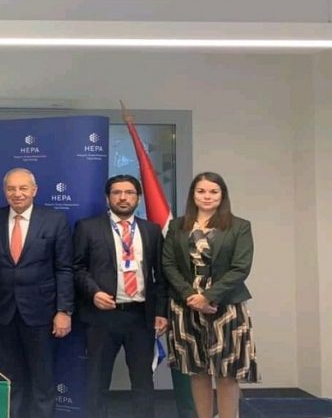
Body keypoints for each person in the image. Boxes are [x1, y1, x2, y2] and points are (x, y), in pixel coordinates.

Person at [0, 167, 74, 418]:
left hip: (42, 313)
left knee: (43, 380)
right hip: (1, 313)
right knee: (7, 378)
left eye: (23, 188)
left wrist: (64, 310)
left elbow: (64, 268)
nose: (17, 193)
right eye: (11, 188)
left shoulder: (54, 220)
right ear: (4, 191)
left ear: (34, 190)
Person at [163, 172, 258, 418]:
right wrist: (191, 297)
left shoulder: (239, 226)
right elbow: (169, 265)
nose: (207, 196)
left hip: (226, 305)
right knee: (197, 371)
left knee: (227, 372)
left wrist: (208, 297)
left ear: (222, 195)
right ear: (193, 195)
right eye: (201, 191)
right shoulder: (177, 226)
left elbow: (241, 268)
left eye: (214, 191)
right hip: (186, 306)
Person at [72, 174, 168, 418]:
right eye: (116, 193)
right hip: (102, 316)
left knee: (143, 381)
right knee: (97, 380)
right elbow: (76, 268)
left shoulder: (152, 230)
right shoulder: (87, 227)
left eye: (129, 193)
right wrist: (94, 293)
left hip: (141, 316)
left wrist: (161, 312)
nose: (123, 197)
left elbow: (161, 275)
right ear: (107, 198)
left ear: (138, 198)